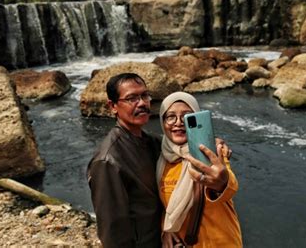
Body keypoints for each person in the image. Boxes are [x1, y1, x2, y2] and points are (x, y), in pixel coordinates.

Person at [157, 92, 242, 248]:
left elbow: (229, 186)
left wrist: (221, 183)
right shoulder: (162, 159)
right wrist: (167, 229)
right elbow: (167, 206)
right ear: (162, 122)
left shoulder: (213, 152)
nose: (178, 122)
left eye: (187, 117)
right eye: (170, 116)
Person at [87, 73, 163, 247]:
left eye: (144, 95)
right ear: (113, 106)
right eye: (131, 98)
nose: (142, 103)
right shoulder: (108, 161)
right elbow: (112, 231)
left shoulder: (153, 142)